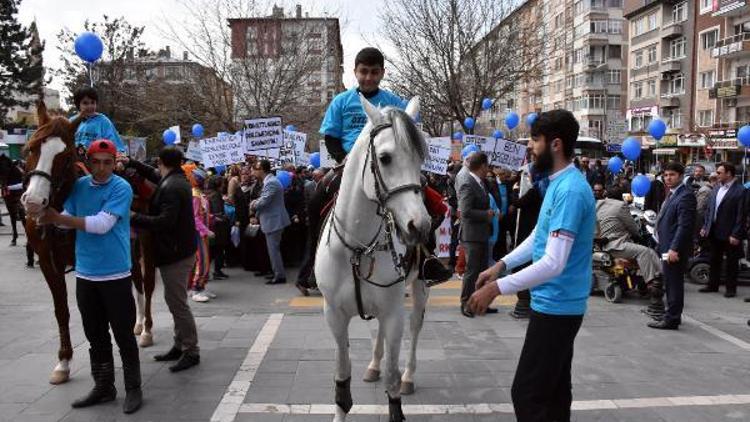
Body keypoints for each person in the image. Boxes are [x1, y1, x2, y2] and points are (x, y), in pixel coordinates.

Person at [468, 110, 595, 422]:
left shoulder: (569, 190)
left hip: (557, 306)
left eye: (535, 140)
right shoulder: (558, 183)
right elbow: (540, 235)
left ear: (555, 144)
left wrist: (497, 288)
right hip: (555, 303)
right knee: (554, 392)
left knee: (527, 393)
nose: (530, 148)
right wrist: (502, 264)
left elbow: (553, 262)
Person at [40, 139, 142, 413]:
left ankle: (133, 388)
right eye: (95, 162)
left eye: (107, 162)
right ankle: (104, 386)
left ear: (114, 162)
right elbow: (65, 214)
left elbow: (101, 224)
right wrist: (41, 212)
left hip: (116, 274)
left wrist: (57, 220)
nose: (101, 168)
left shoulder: (121, 187)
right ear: (90, 161)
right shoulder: (80, 187)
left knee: (124, 334)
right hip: (86, 274)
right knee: (95, 335)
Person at [123, 147, 201, 372]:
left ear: (160, 161)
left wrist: (135, 217)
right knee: (173, 300)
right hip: (178, 251)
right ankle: (179, 344)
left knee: (178, 303)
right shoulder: (175, 178)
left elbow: (165, 221)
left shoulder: (172, 187)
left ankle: (191, 350)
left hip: (176, 254)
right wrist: (132, 163)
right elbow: (153, 174)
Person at [319, 47, 404, 164]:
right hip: (349, 163)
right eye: (364, 71)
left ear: (382, 73)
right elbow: (331, 137)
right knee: (324, 183)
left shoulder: (395, 103)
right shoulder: (340, 101)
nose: (368, 78)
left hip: (388, 165)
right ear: (355, 72)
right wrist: (343, 158)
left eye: (374, 72)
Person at [596, 185, 665, 317]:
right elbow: (632, 227)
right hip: (617, 244)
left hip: (603, 244)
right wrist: (637, 234)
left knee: (641, 252)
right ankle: (653, 283)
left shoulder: (598, 205)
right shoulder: (621, 206)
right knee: (646, 252)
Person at [650, 162, 696, 330]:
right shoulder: (672, 194)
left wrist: (674, 249)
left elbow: (684, 226)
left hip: (674, 249)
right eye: (666, 175)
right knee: (669, 281)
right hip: (666, 246)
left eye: (672, 175)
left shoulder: (686, 196)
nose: (668, 178)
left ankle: (672, 319)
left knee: (674, 283)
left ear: (681, 176)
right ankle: (671, 314)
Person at [458, 152, 497, 318]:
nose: (488, 169)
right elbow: (465, 211)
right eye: (487, 166)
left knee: (482, 270)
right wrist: (485, 214)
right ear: (482, 166)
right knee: (472, 271)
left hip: (481, 234)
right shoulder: (468, 183)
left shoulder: (481, 183)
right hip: (472, 235)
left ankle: (480, 303)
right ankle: (466, 303)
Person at [699, 162, 746, 298]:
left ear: (729, 174)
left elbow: (741, 215)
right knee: (714, 259)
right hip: (714, 231)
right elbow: (710, 209)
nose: (716, 175)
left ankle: (731, 289)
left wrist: (736, 234)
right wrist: (705, 226)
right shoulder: (716, 188)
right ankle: (712, 285)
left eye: (719, 172)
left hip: (730, 233)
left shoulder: (740, 191)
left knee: (731, 262)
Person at [251, 160, 291, 285]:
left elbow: (264, 201)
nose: (253, 172)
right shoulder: (269, 181)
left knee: (274, 250)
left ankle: (279, 276)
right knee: (273, 250)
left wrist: (253, 204)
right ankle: (277, 273)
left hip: (274, 221)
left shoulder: (271, 182)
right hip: (272, 220)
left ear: (262, 169)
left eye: (255, 169)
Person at [71, 87, 126, 152]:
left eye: (92, 102)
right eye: (85, 103)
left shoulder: (103, 121)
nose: (90, 106)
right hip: (74, 160)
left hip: (96, 160)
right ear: (78, 105)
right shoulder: (72, 121)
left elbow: (116, 146)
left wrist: (119, 157)